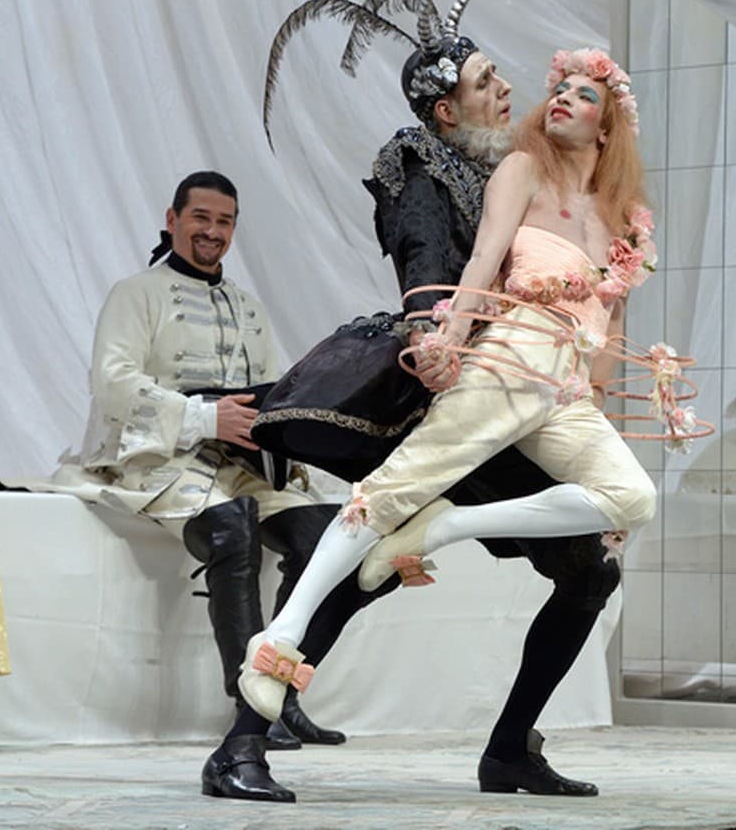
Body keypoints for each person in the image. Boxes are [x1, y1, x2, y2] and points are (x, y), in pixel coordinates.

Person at [232, 45, 669, 800]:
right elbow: (438, 263)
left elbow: (605, 326)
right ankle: (251, 717)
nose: (514, 90)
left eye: (577, 92)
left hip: (554, 395)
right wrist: (440, 337)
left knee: (598, 555)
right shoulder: (432, 166)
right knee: (376, 539)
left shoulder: (602, 207)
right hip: (481, 371)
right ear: (446, 109)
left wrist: (591, 416)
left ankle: (508, 748)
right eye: (485, 82)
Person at [0, 171, 346, 750]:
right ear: (173, 219)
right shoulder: (136, 294)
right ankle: (250, 705)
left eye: (224, 221)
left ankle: (283, 694)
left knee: (322, 538)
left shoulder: (249, 308)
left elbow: (274, 389)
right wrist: (205, 418)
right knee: (233, 527)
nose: (212, 231)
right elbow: (113, 383)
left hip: (240, 465)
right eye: (201, 217)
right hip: (157, 458)